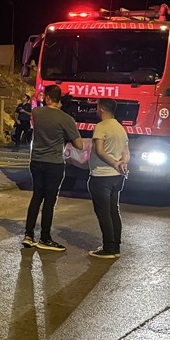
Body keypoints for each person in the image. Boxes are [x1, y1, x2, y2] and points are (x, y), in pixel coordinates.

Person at [24, 84, 83, 251]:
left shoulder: (37, 113)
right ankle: (45, 237)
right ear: (59, 100)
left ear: (47, 98)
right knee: (49, 201)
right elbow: (78, 145)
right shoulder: (66, 119)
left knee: (37, 196)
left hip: (36, 161)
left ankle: (28, 235)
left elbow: (38, 105)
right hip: (54, 164)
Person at [87, 98, 129, 259]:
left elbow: (100, 150)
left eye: (97, 107)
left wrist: (115, 163)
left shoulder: (101, 127)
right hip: (117, 177)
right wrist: (123, 163)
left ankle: (108, 248)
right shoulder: (120, 128)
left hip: (101, 175)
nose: (97, 110)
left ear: (102, 109)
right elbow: (126, 151)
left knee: (103, 212)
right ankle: (115, 245)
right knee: (113, 210)